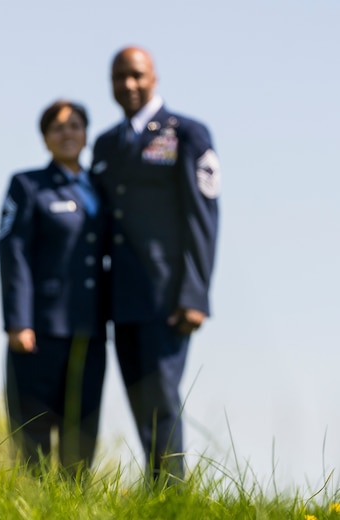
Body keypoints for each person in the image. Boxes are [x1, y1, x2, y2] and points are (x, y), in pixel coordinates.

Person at [89, 46, 220, 482]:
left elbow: (203, 220)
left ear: (154, 78)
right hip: (121, 297)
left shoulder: (187, 134)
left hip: (168, 297)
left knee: (162, 400)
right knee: (138, 400)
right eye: (119, 77)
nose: (128, 84)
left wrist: (195, 294)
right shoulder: (107, 144)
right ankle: (157, 491)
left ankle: (172, 496)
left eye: (136, 75)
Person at [0, 99, 107, 472]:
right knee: (34, 434)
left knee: (83, 429)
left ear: (86, 134)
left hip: (91, 331)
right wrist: (18, 322)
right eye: (58, 127)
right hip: (39, 330)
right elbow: (13, 252)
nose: (68, 133)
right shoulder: (28, 186)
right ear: (45, 138)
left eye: (75, 125)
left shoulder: (101, 188)